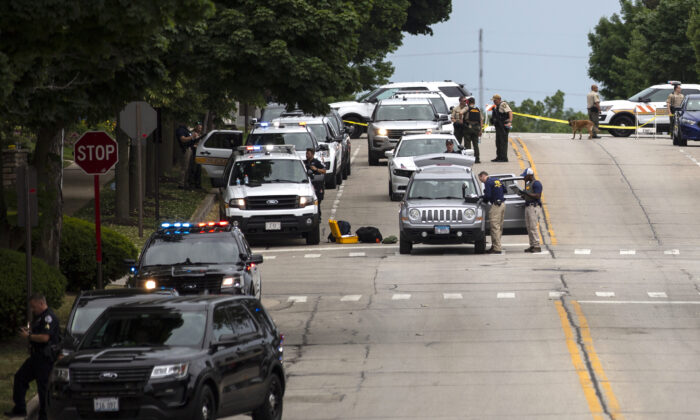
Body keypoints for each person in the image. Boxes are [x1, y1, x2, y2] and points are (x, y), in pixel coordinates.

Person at [5, 294, 60, 420]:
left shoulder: (48, 318)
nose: (32, 310)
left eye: (33, 307)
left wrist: (28, 337)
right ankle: (19, 409)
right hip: (36, 357)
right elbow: (38, 333)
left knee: (43, 388)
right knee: (20, 377)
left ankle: (44, 416)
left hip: (45, 359)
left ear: (41, 303)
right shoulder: (39, 318)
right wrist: (29, 332)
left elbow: (45, 337)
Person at [478, 171, 506, 254]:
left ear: (482, 176)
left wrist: (483, 198)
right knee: (499, 227)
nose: (481, 181)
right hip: (502, 204)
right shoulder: (497, 180)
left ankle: (497, 248)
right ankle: (495, 246)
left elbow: (488, 196)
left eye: (480, 179)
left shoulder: (488, 182)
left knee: (494, 227)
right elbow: (505, 190)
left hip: (496, 206)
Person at [517, 168, 543, 253]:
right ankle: (532, 245)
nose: (524, 178)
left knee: (533, 227)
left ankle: (536, 245)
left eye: (525, 176)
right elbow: (528, 196)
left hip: (533, 207)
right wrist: (522, 195)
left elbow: (537, 196)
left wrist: (526, 193)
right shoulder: (528, 183)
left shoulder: (537, 184)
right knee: (529, 227)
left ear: (530, 175)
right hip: (528, 206)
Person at [175, 122, 201, 189]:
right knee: (184, 167)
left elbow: (189, 139)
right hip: (185, 149)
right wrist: (192, 136)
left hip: (189, 148)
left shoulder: (186, 130)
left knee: (187, 167)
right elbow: (183, 139)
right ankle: (181, 184)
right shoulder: (181, 130)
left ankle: (185, 183)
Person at [490, 94, 513, 162]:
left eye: (495, 100)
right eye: (493, 100)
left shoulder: (503, 104)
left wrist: (510, 122)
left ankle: (504, 157)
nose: (494, 101)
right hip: (498, 126)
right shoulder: (496, 106)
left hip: (503, 126)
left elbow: (510, 112)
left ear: (499, 99)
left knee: (503, 142)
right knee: (498, 142)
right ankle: (499, 156)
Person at [464, 97, 482, 163]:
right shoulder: (477, 109)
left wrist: (461, 120)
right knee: (476, 145)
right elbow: (481, 120)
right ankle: (477, 159)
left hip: (468, 127)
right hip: (476, 128)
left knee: (467, 144)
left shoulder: (467, 108)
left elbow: (460, 113)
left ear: (468, 102)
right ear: (474, 102)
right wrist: (480, 130)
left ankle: (469, 159)